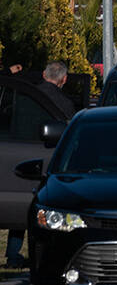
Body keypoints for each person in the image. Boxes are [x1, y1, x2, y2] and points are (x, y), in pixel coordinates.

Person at [6, 62, 74, 268]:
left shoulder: (26, 95)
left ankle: (12, 253)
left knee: (19, 208)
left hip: (17, 155)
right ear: (64, 80)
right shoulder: (64, 103)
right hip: (49, 159)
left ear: (44, 75)